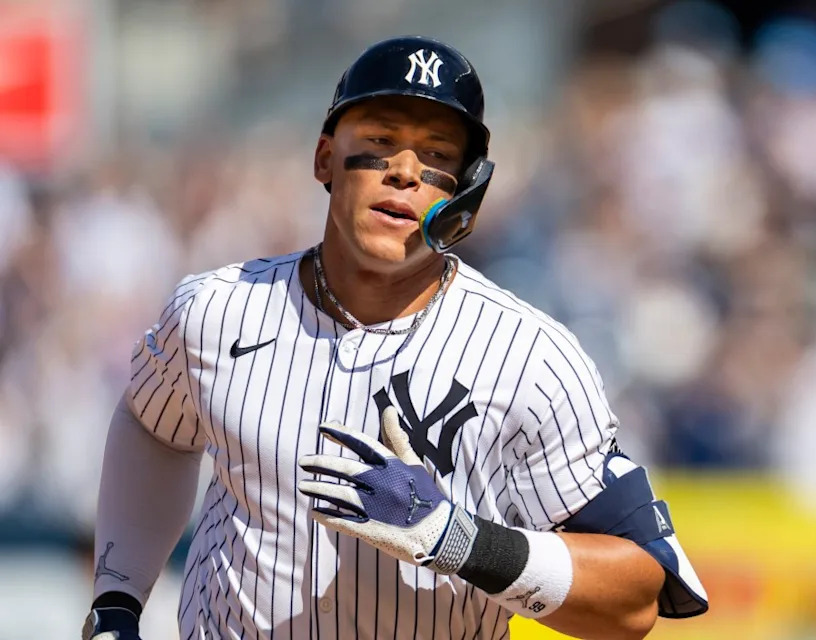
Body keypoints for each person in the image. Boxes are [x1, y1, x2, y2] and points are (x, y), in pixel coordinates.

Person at [83, 35, 708, 640]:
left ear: (467, 190)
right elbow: (153, 427)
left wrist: (462, 542)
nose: (406, 172)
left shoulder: (529, 360)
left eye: (437, 154)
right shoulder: (216, 310)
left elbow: (637, 597)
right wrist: (117, 602)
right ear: (325, 158)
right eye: (381, 141)